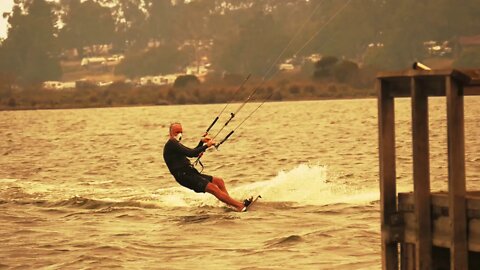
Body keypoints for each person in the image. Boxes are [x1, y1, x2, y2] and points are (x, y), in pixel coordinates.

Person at [163, 122, 251, 212]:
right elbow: (191, 153)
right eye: (177, 132)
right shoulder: (172, 143)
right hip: (185, 176)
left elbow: (194, 152)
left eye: (181, 132)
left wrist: (201, 142)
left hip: (190, 173)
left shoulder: (175, 144)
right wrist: (206, 146)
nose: (179, 134)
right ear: (170, 133)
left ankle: (230, 204)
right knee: (213, 188)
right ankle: (240, 206)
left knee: (219, 181)